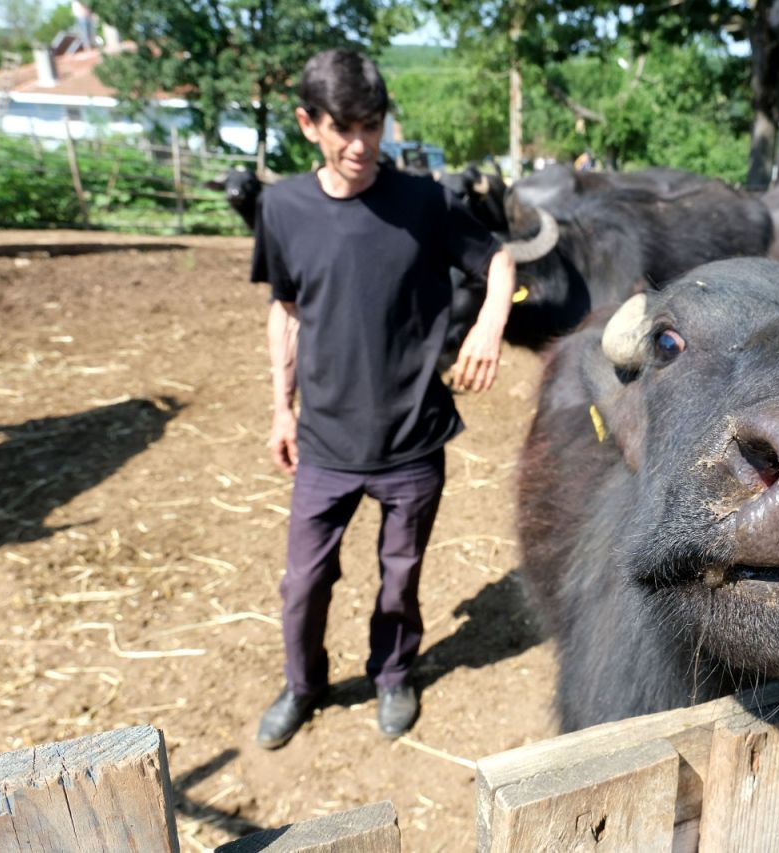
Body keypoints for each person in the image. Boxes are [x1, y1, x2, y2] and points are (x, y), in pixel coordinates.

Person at [250, 49, 515, 748]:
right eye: (343, 128)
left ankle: (393, 672)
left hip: (412, 438)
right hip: (326, 442)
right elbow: (286, 308)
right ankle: (302, 685)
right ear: (309, 124)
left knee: (400, 577)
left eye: (372, 124)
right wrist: (282, 407)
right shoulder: (282, 207)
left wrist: (489, 324)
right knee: (303, 583)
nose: (361, 144)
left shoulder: (422, 201)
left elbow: (499, 258)